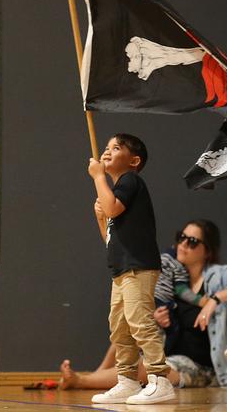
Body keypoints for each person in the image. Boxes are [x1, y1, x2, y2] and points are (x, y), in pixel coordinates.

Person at [59, 219, 227, 390]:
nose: (183, 245)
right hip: (169, 354)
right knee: (127, 328)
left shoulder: (216, 276)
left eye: (192, 241)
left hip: (202, 366)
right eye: (181, 238)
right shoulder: (174, 277)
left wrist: (215, 299)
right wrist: (156, 319)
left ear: (207, 251)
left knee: (144, 367)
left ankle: (81, 381)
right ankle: (96, 375)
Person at [87, 133, 174, 405]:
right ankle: (126, 380)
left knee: (139, 322)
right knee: (120, 327)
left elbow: (113, 209)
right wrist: (100, 218)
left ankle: (159, 378)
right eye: (107, 147)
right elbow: (110, 238)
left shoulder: (130, 181)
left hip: (138, 266)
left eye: (116, 148)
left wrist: (98, 177)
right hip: (121, 269)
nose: (107, 151)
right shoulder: (117, 191)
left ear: (134, 160)